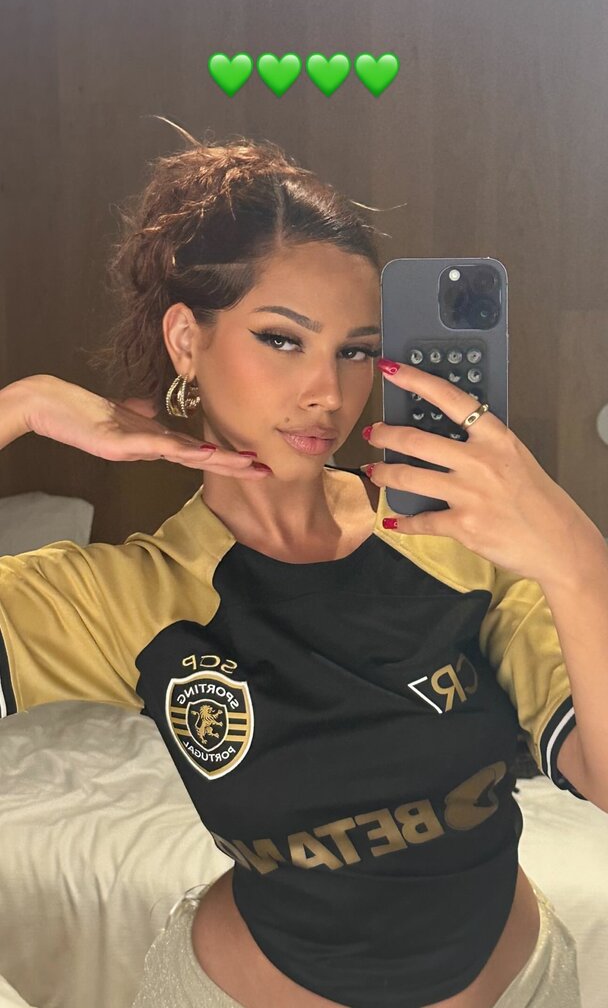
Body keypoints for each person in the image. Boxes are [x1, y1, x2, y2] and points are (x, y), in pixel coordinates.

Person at [0, 129, 583, 1008]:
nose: (327, 393)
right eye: (283, 339)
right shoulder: (127, 599)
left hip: (522, 988)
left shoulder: (455, 541)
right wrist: (21, 407)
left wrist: (575, 553)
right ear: (186, 340)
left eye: (356, 350)